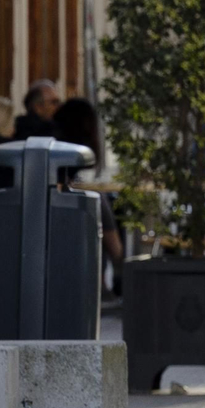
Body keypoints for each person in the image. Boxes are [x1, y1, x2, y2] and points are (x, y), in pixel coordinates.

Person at [51, 97, 126, 290]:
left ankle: (117, 264)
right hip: (58, 203)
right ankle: (119, 260)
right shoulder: (68, 144)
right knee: (97, 203)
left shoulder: (55, 137)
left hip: (58, 201)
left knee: (100, 202)